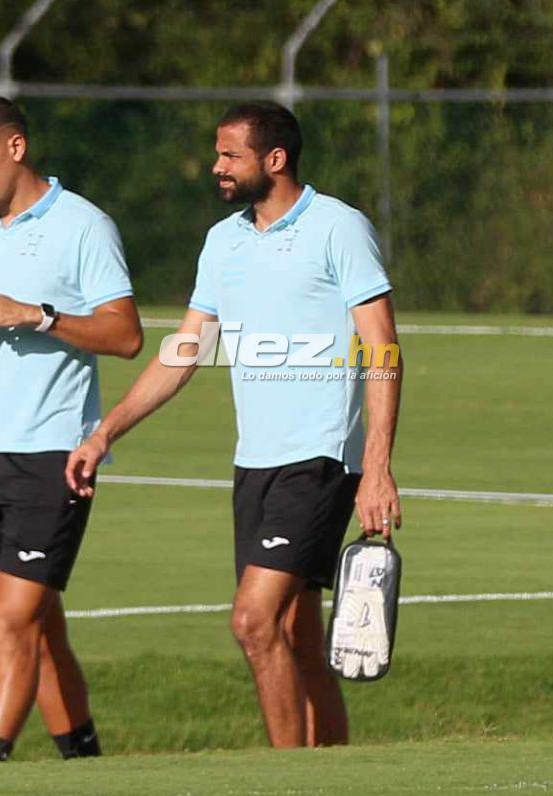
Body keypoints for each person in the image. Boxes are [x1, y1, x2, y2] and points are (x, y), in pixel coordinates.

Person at [66, 101, 402, 749]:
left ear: (275, 159)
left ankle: (286, 782)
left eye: (230, 155)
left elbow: (383, 350)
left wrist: (377, 468)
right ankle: (333, 776)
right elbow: (186, 350)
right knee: (297, 635)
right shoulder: (223, 241)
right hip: (255, 465)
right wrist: (106, 431)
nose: (216, 166)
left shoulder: (339, 228)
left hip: (321, 459)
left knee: (252, 621)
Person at [0, 97, 143, 761]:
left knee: (11, 622)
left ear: (16, 148)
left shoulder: (84, 226)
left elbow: (127, 336)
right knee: (39, 626)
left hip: (54, 454)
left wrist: (36, 315)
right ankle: (84, 759)